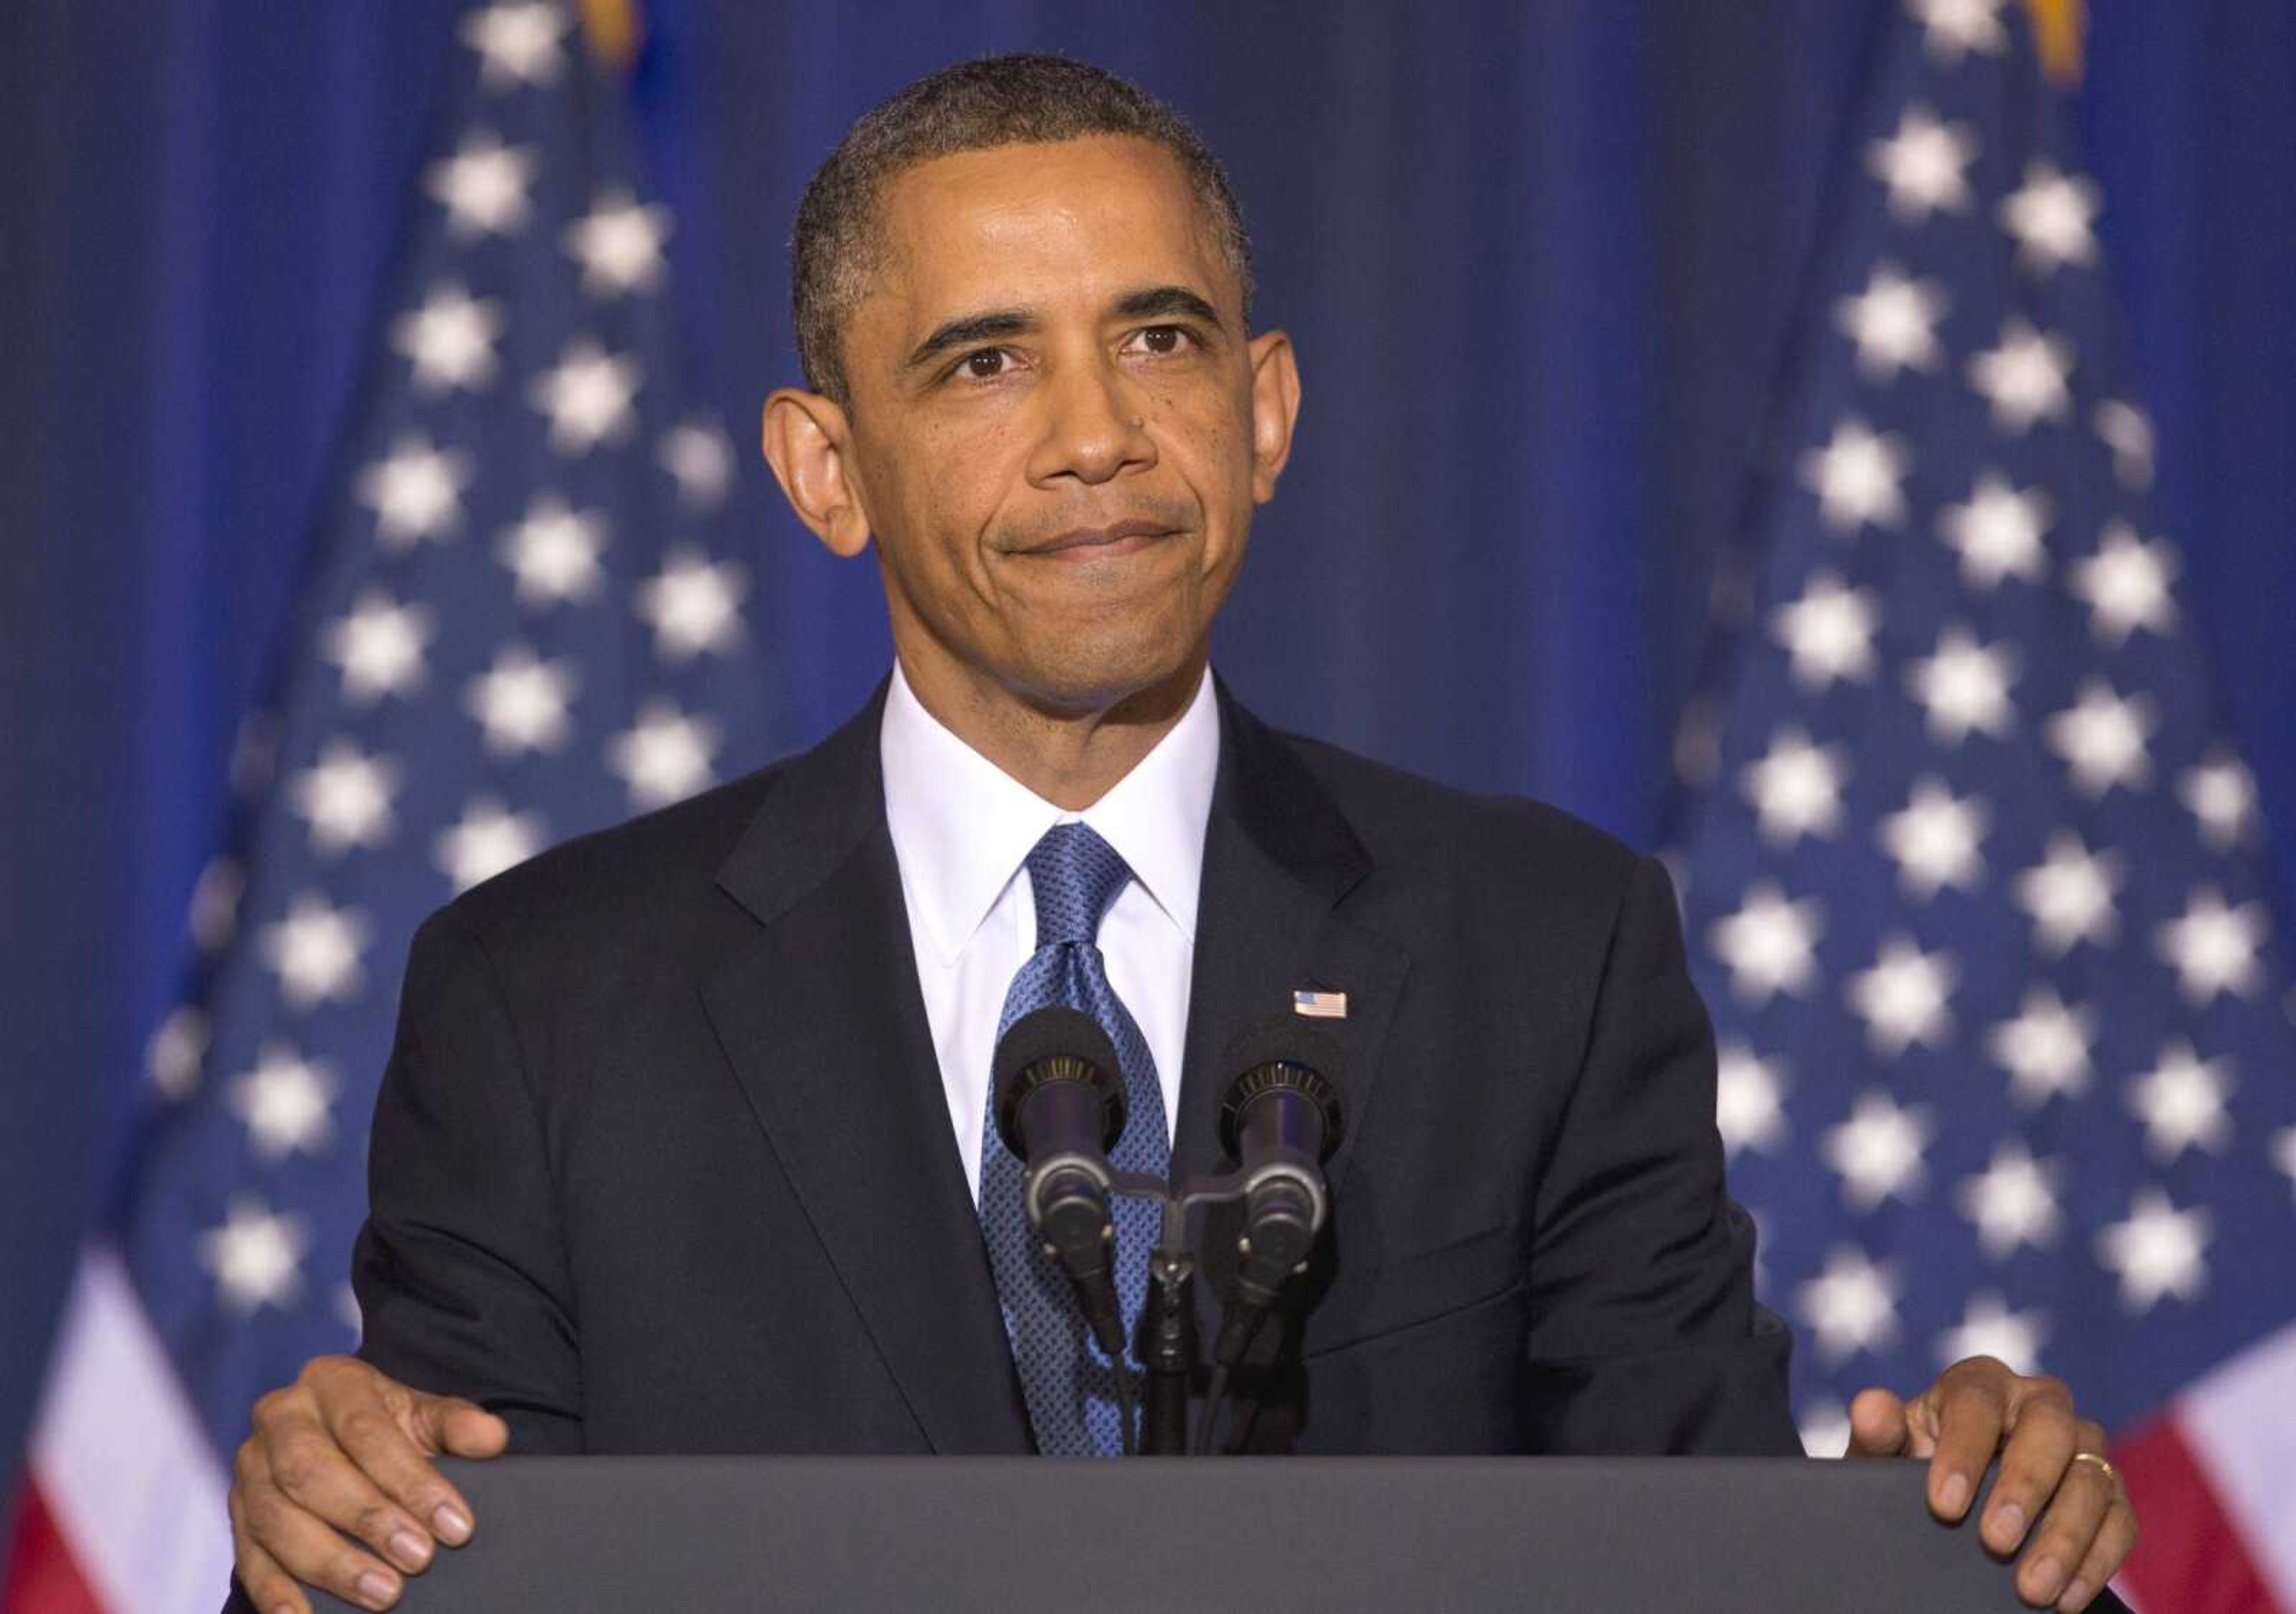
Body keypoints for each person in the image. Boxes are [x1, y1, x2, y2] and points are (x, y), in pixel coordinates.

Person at [225, 53, 2136, 1614]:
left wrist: (1936, 1534)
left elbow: (1704, 1550)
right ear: (825, 471)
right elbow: (435, 1559)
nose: (1096, 436)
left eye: (1158, 340)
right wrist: (318, 1527)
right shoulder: (547, 1001)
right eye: (983, 361)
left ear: (1266, 408)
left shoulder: (1546, 947)